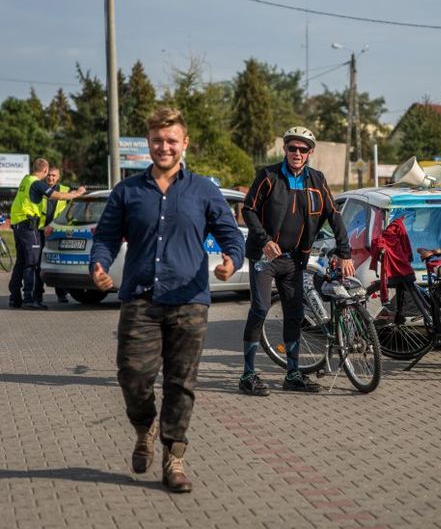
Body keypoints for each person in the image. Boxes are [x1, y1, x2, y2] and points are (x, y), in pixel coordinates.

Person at [89, 107, 245, 493]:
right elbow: (106, 237)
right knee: (132, 375)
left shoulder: (203, 190)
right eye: (157, 140)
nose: (164, 147)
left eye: (171, 140)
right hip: (140, 300)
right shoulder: (128, 191)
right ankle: (144, 426)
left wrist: (231, 260)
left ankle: (174, 457)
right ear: (148, 143)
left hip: (189, 300)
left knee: (181, 382)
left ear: (184, 143)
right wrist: (99, 264)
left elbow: (231, 235)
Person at [240, 126, 354, 395]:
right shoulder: (269, 176)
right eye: (292, 148)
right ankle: (247, 374)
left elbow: (333, 215)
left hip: (293, 259)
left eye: (303, 149)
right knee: (260, 308)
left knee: (295, 314)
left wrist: (344, 252)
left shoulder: (317, 180)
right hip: (265, 257)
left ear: (310, 153)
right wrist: (264, 240)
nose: (297, 153)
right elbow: (249, 209)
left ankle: (292, 374)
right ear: (285, 149)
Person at [9, 158, 86, 310]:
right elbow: (56, 195)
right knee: (32, 264)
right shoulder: (37, 183)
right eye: (48, 173)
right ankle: (29, 299)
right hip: (29, 226)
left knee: (21, 262)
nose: (49, 177)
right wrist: (78, 193)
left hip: (19, 225)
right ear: (45, 170)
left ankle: (15, 298)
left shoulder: (26, 180)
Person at [36, 166, 71, 304]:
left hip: (57, 231)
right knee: (38, 264)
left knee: (58, 262)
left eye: (54, 175)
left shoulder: (65, 191)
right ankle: (38, 294)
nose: (50, 178)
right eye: (49, 175)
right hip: (40, 230)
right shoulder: (40, 188)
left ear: (58, 177)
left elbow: (71, 211)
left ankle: (61, 294)